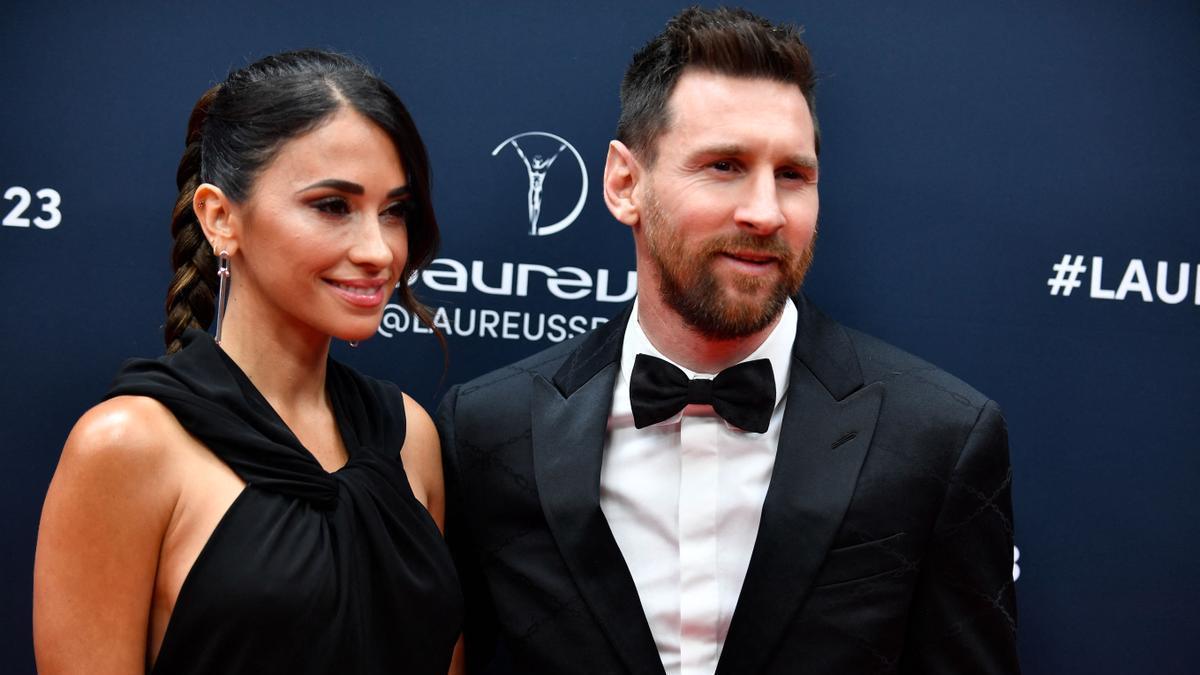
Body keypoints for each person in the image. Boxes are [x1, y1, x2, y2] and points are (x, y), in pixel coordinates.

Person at [437, 7, 1019, 675]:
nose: (766, 212)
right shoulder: (491, 428)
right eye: (724, 165)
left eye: (793, 176)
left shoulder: (938, 436)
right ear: (625, 183)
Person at [33, 50, 462, 674]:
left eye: (394, 211)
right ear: (220, 218)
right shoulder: (127, 448)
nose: (379, 250)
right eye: (332, 206)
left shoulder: (408, 436)